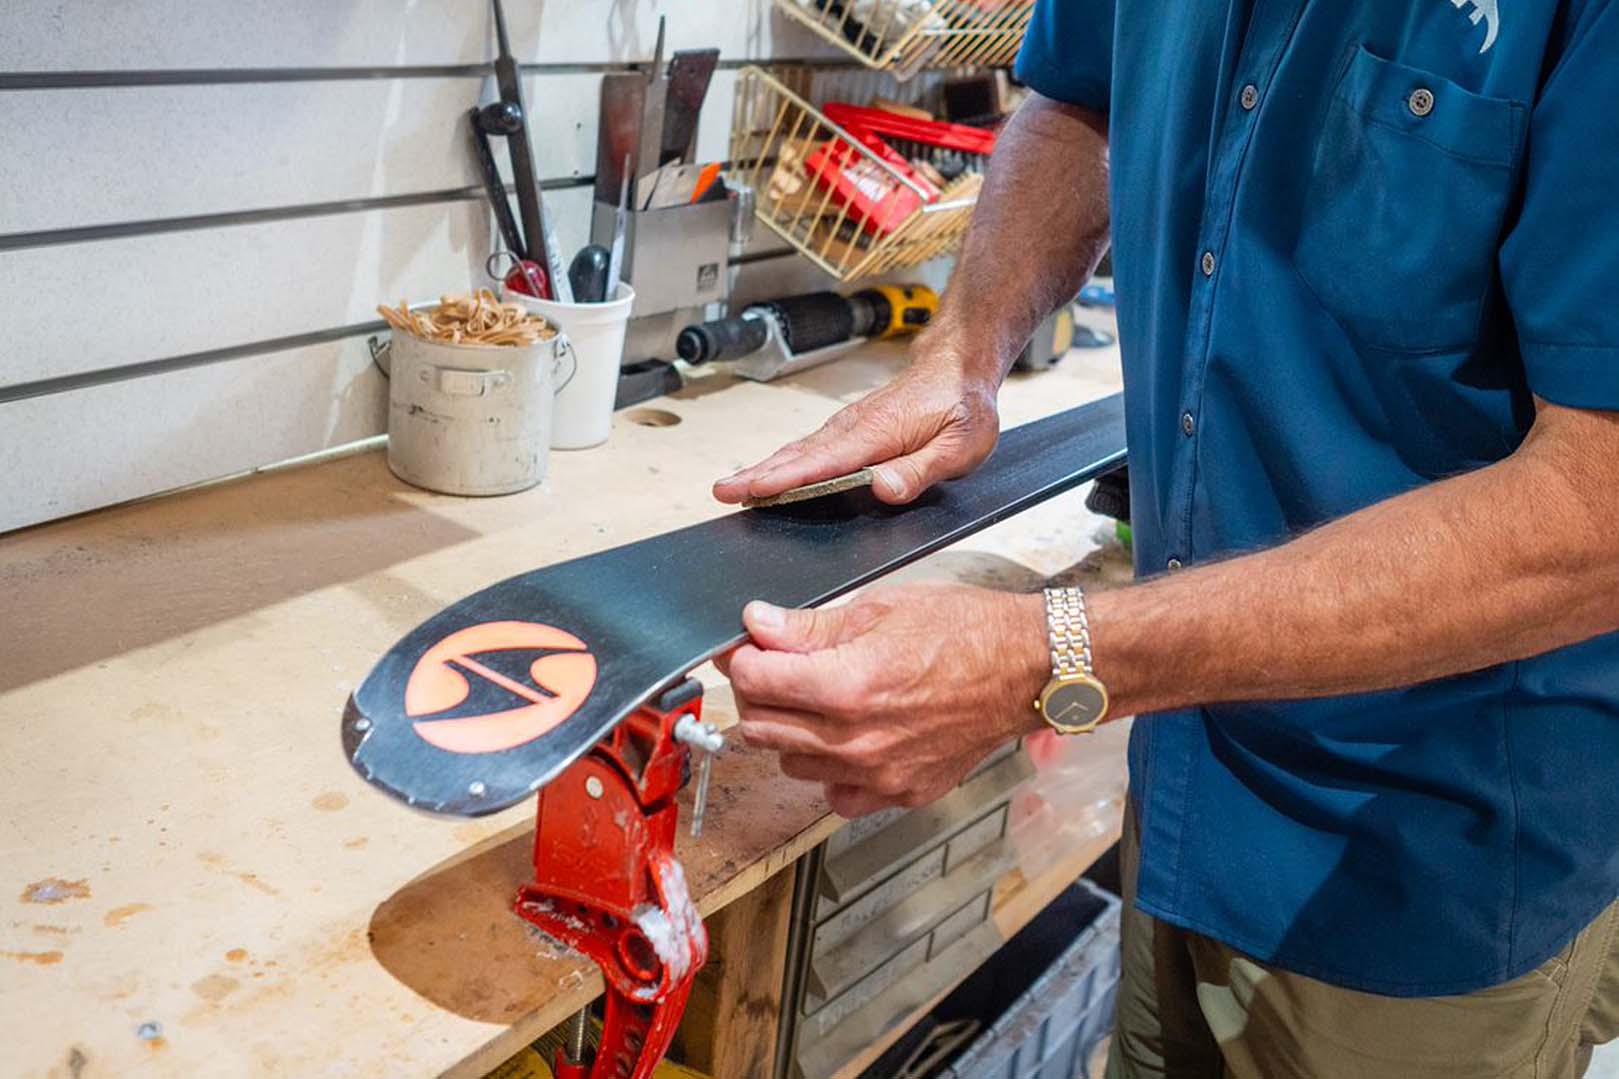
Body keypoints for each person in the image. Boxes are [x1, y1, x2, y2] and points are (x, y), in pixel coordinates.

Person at [710, 1, 1619, 1075]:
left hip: (1421, 864)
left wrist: (1046, 657)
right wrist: (963, 345)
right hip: (1189, 771)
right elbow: (1076, 100)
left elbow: (1594, 513)